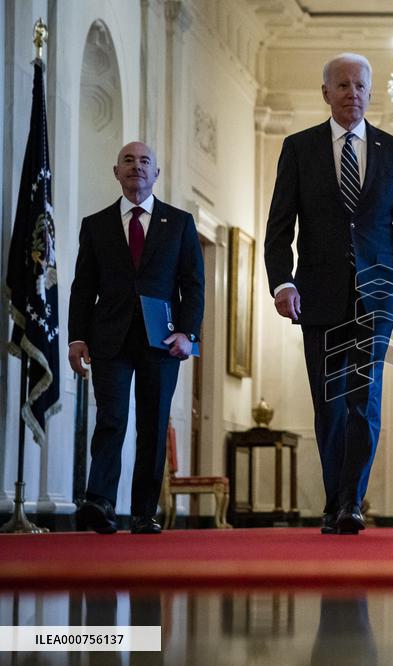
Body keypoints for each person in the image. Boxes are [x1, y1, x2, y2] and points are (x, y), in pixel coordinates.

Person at [264, 53, 393, 535]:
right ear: (326, 93)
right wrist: (283, 281)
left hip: (376, 296)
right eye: (342, 85)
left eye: (360, 86)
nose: (352, 93)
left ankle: (351, 503)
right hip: (319, 295)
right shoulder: (299, 148)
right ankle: (336, 501)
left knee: (364, 401)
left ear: (370, 93)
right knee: (329, 404)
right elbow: (279, 226)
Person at [69, 141, 205, 535]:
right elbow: (83, 287)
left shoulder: (178, 223)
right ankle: (101, 502)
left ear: (156, 174)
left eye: (145, 161)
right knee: (110, 420)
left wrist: (187, 332)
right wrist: (77, 337)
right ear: (116, 172)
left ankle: (144, 512)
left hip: (160, 342)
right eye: (128, 161)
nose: (136, 167)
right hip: (108, 340)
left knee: (152, 425)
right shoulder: (96, 225)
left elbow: (193, 284)